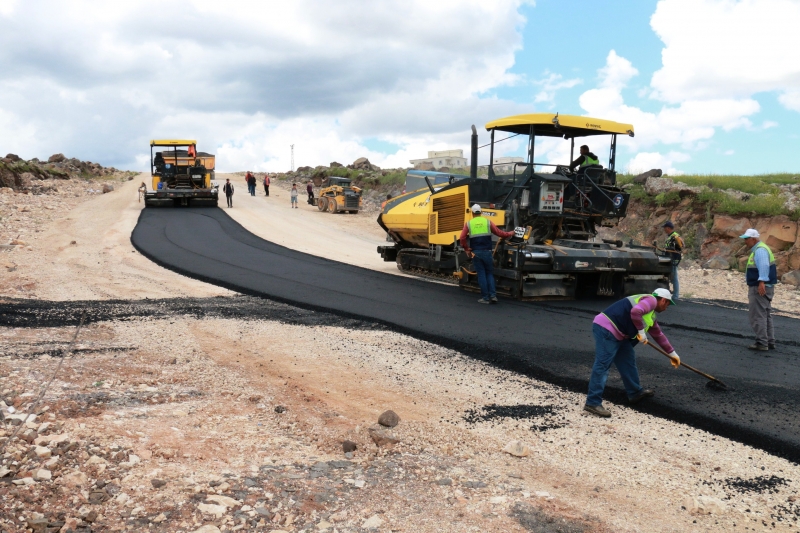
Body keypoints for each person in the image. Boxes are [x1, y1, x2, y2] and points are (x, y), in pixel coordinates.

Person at [585, 288, 680, 417]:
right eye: (668, 304)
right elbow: (636, 311)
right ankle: (592, 402)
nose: (666, 308)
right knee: (603, 364)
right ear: (663, 300)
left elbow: (658, 335)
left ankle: (635, 393)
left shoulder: (651, 315)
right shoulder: (651, 300)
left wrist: (672, 354)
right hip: (606, 328)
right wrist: (641, 332)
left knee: (628, 362)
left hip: (620, 334)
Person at [458, 204, 514, 304]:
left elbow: (462, 238)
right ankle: (493, 295)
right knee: (489, 274)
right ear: (481, 212)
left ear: (472, 213)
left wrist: (466, 248)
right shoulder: (488, 222)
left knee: (481, 274)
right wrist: (511, 233)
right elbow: (500, 233)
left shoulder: (469, 224)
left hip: (476, 253)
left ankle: (485, 298)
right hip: (487, 252)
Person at [740, 229, 777, 351]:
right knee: (765, 314)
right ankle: (769, 341)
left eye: (747, 239)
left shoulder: (760, 250)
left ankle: (762, 342)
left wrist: (762, 281)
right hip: (766, 286)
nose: (745, 241)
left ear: (754, 239)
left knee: (757, 315)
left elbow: (764, 266)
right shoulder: (761, 248)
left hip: (759, 287)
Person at [662, 221, 684, 299]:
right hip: (669, 258)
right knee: (671, 276)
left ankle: (675, 296)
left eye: (665, 228)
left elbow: (682, 245)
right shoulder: (670, 236)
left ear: (668, 228)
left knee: (674, 277)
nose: (664, 229)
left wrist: (673, 250)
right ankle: (672, 294)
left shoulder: (675, 236)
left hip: (674, 259)